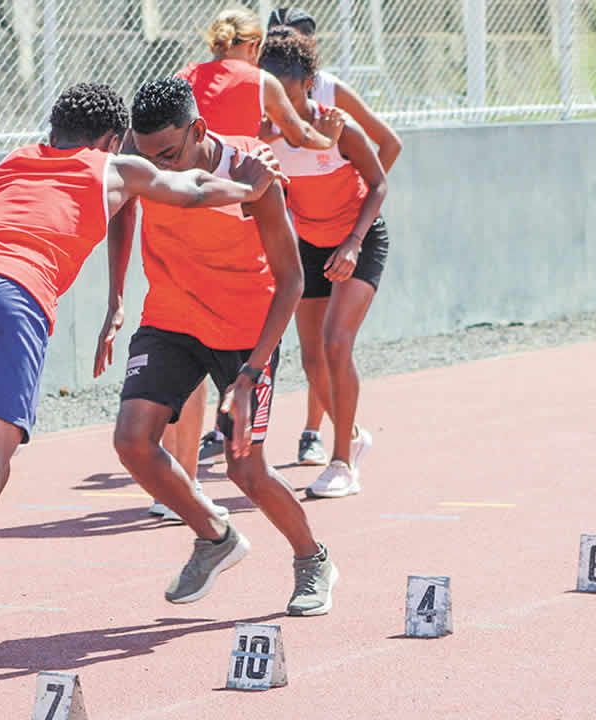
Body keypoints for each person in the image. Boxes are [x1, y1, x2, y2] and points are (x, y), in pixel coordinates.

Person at [0, 82, 285, 680]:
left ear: (52, 130)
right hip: (8, 298)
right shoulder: (113, 167)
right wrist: (249, 183)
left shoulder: (14, 161)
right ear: (115, 140)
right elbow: (191, 188)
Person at [105, 77, 338, 616]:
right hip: (171, 316)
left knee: (244, 468)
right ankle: (215, 535)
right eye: (148, 156)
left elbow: (291, 281)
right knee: (132, 442)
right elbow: (122, 209)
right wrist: (116, 298)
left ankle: (313, 558)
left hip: (243, 331)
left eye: (168, 155)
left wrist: (254, 369)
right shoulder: (138, 157)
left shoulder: (254, 174)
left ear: (200, 130)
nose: (158, 169)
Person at [175, 7, 346, 469]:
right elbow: (300, 133)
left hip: (188, 215)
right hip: (246, 216)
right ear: (253, 48)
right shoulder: (259, 82)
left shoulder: (183, 76)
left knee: (186, 336)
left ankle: (182, 470)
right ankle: (248, 443)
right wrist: (327, 137)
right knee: (262, 326)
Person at [268, 7, 403, 466]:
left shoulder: (337, 121)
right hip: (308, 243)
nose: (277, 109)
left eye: (285, 96)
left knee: (336, 344)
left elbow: (382, 174)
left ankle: (342, 462)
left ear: (308, 83)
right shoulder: (264, 132)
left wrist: (353, 238)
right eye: (270, 97)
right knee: (311, 361)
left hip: (356, 240)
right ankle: (352, 432)